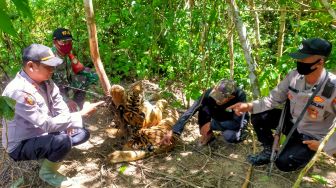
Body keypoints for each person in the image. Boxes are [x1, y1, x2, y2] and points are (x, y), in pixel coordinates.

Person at [1, 44, 104, 187]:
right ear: (31, 66)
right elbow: (45, 123)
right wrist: (79, 114)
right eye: (49, 66)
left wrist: (67, 122)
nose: (52, 70)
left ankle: (50, 153)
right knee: (63, 141)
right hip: (22, 144)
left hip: (43, 132)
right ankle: (47, 172)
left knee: (82, 133)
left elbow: (59, 104)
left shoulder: (47, 82)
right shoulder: (19, 91)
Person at [228, 38, 336, 172]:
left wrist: (323, 146)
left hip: (311, 134)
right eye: (298, 58)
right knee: (258, 116)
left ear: (320, 62)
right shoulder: (294, 76)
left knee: (283, 163)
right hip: (291, 122)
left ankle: (304, 153)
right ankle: (269, 149)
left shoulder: (332, 87)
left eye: (303, 59)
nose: (299, 63)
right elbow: (273, 99)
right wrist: (249, 106)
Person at [160, 79, 248, 146]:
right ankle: (208, 135)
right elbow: (191, 110)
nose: (216, 99)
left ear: (231, 97)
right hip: (219, 114)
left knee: (229, 136)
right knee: (202, 106)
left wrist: (211, 125)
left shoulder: (240, 97)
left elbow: (237, 123)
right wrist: (174, 131)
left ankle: (241, 134)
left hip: (232, 120)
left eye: (220, 98)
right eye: (216, 94)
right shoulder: (209, 93)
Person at [52, 28, 98, 112]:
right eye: (64, 42)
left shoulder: (66, 54)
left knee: (88, 76)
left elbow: (79, 68)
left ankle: (77, 108)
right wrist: (66, 100)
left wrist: (94, 75)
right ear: (55, 42)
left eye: (69, 41)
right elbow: (48, 87)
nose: (67, 44)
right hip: (55, 93)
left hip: (67, 85)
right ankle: (69, 112)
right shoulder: (50, 58)